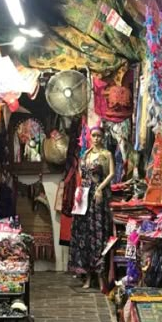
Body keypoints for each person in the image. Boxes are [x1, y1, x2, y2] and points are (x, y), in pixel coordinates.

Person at [69, 124, 114, 289]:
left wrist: (100, 188)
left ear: (103, 137)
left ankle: (101, 275)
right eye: (94, 136)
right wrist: (80, 192)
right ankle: (87, 275)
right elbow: (81, 174)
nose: (96, 138)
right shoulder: (86, 154)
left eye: (99, 136)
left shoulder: (106, 154)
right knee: (85, 235)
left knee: (99, 234)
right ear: (90, 137)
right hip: (85, 197)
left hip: (98, 196)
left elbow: (111, 174)